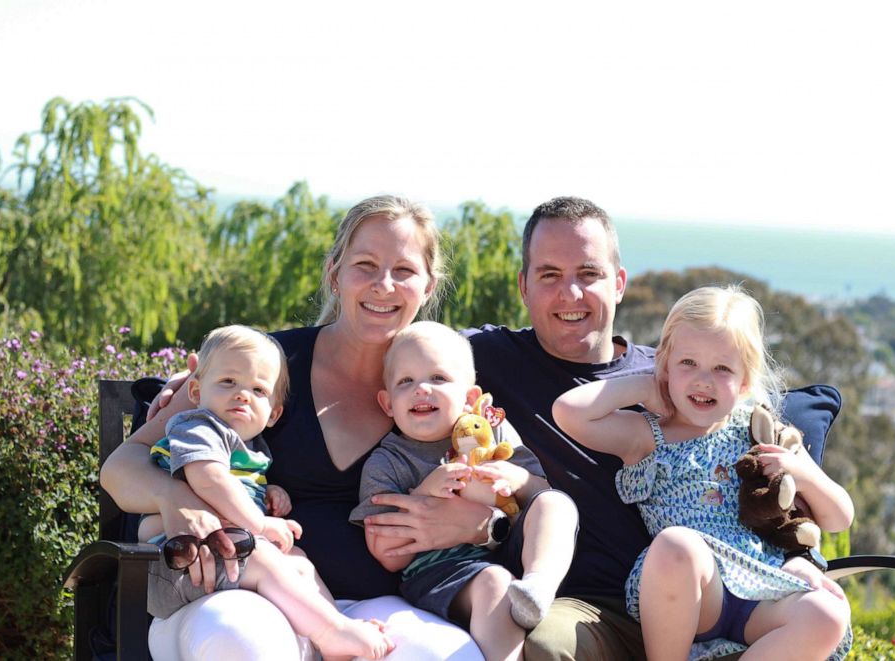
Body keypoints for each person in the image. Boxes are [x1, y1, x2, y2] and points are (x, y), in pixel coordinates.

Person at [362, 196, 845, 660]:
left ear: (618, 283)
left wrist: (799, 559)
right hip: (592, 609)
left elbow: (777, 495)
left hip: (715, 595)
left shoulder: (687, 382)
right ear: (523, 286)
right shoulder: (479, 361)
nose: (569, 293)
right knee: (547, 643)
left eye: (588, 274)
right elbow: (396, 352)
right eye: (549, 275)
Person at [101, 195, 486, 660]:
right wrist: (176, 499)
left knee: (455, 654)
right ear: (334, 274)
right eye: (365, 265)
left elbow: (508, 478)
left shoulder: (440, 386)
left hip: (366, 608)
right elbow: (123, 465)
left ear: (428, 286)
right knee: (241, 638)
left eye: (403, 271)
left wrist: (485, 523)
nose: (384, 285)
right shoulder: (259, 367)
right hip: (236, 594)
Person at [552, 286, 852, 660]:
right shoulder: (648, 435)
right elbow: (568, 412)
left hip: (760, 589)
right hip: (689, 593)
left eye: (722, 368)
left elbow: (840, 517)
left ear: (744, 381)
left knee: (828, 613)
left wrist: (799, 471)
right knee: (678, 544)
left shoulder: (762, 433)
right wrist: (647, 384)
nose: (703, 380)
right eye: (687, 363)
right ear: (666, 365)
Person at [140, 324, 393, 659]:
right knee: (262, 555)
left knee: (299, 564)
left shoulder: (250, 449)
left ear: (274, 414)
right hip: (182, 563)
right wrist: (259, 523)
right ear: (197, 392)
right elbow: (208, 478)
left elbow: (231, 481)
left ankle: (331, 634)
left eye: (258, 390)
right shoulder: (196, 426)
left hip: (224, 556)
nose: (243, 394)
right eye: (228, 382)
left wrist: (267, 490)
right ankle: (331, 632)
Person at [350, 321, 579, 661]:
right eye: (405, 381)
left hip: (515, 550)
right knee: (494, 584)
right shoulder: (388, 462)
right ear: (387, 403)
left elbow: (539, 489)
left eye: (438, 378)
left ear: (470, 396)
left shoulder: (490, 431)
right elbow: (387, 555)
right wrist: (426, 493)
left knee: (557, 504)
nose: (421, 389)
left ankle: (538, 587)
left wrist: (515, 480)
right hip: (441, 571)